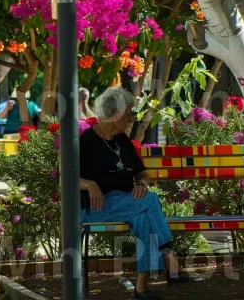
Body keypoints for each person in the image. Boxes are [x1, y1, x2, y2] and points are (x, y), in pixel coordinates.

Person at [79, 86, 188, 299]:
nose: (131, 118)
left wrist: (142, 185)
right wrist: (91, 185)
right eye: (128, 113)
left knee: (143, 216)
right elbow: (67, 179)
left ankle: (141, 288)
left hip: (129, 202)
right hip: (98, 206)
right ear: (113, 114)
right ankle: (169, 258)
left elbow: (143, 174)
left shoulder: (123, 141)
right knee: (151, 201)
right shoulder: (87, 141)